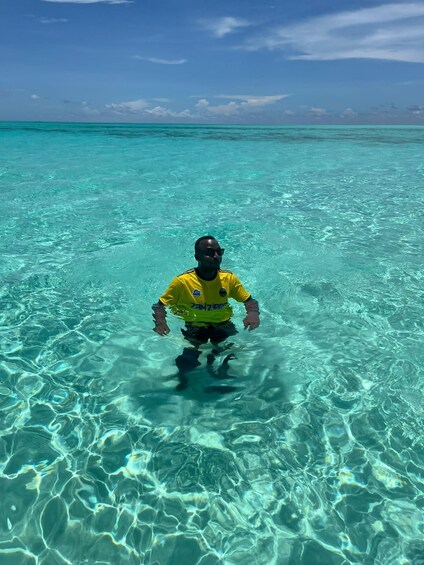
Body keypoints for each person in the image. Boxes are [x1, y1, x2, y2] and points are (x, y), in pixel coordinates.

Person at [152, 236, 260, 390]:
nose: (216, 256)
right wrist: (161, 322)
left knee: (225, 351)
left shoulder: (228, 279)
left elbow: (250, 301)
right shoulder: (182, 282)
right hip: (195, 325)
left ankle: (218, 372)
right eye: (210, 253)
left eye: (219, 252)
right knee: (190, 357)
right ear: (197, 257)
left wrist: (253, 313)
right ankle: (183, 378)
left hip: (222, 323)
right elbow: (159, 306)